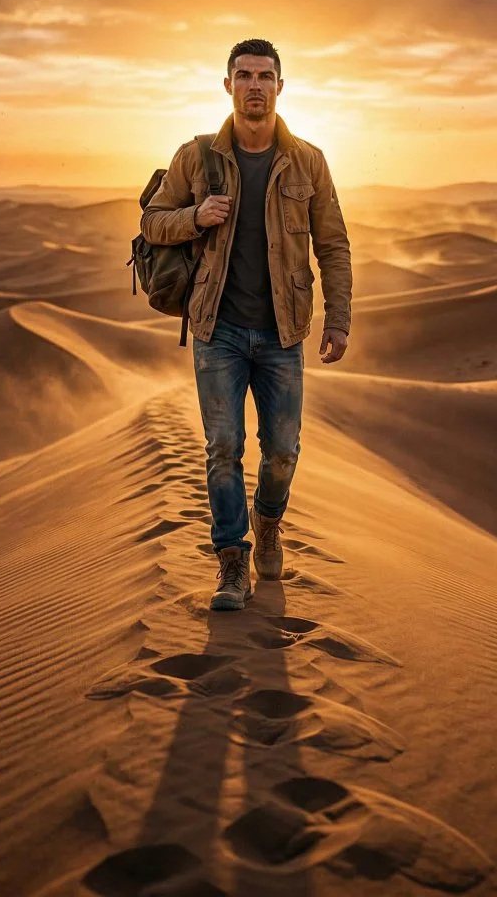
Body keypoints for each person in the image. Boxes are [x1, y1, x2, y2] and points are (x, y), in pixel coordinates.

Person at [140, 38, 352, 611]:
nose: (254, 85)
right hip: (219, 329)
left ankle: (268, 524)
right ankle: (231, 561)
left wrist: (339, 320)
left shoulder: (307, 160)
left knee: (283, 450)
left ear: (280, 87)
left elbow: (332, 244)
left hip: (284, 332)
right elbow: (152, 222)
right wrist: (195, 216)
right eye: (244, 75)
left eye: (265, 76)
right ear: (227, 84)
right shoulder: (197, 155)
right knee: (223, 448)